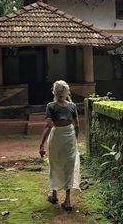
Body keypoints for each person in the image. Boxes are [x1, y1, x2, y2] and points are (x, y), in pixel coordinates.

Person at [39, 80, 80, 211]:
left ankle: (54, 194)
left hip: (56, 136)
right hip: (70, 136)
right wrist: (74, 139)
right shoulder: (72, 105)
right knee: (69, 165)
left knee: (55, 164)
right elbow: (77, 125)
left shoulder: (51, 106)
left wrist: (41, 145)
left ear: (54, 92)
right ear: (67, 91)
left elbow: (49, 125)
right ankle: (67, 200)